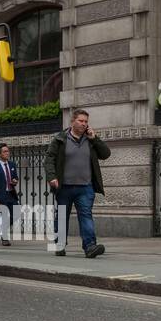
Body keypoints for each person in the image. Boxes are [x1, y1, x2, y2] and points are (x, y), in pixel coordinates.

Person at [45, 108, 109, 258]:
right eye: (80, 121)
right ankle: (60, 244)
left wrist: (95, 138)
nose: (84, 124)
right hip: (64, 187)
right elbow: (49, 159)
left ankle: (90, 247)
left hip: (85, 187)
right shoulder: (60, 139)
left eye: (86, 121)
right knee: (61, 216)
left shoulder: (90, 140)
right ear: (72, 121)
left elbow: (106, 154)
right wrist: (52, 177)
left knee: (86, 215)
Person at [0, 144, 20, 247]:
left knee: (16, 213)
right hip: (2, 195)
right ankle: (5, 238)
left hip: (11, 193)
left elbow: (15, 178)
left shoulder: (12, 164)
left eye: (8, 151)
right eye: (5, 151)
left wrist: (15, 181)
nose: (7, 153)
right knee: (5, 216)